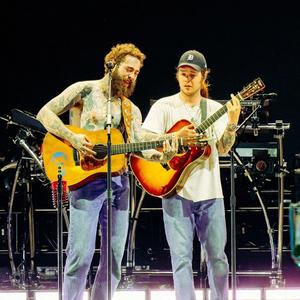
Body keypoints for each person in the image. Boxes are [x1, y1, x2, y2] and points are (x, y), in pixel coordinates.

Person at [36, 43, 179, 300]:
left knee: (114, 257)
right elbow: (44, 113)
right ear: (110, 65)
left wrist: (164, 155)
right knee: (80, 254)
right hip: (86, 184)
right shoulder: (85, 90)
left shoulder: (130, 109)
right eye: (128, 69)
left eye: (136, 72)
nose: (131, 76)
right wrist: (74, 138)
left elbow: (138, 148)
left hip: (120, 184)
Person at [141, 50, 241, 300]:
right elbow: (143, 139)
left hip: (211, 194)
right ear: (177, 75)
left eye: (193, 75)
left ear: (204, 77)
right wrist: (174, 137)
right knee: (181, 259)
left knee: (218, 258)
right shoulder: (165, 106)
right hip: (176, 192)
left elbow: (223, 147)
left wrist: (231, 123)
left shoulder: (214, 108)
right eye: (183, 74)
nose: (187, 80)